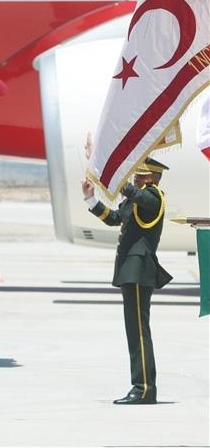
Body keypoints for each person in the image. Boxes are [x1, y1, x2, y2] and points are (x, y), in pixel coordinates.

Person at [81, 156, 173, 405]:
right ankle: (142, 387)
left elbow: (138, 196)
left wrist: (118, 179)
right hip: (130, 270)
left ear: (151, 178)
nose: (134, 178)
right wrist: (91, 199)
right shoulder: (137, 200)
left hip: (138, 270)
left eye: (138, 175)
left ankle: (143, 388)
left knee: (138, 331)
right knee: (135, 331)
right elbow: (114, 218)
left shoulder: (154, 197)